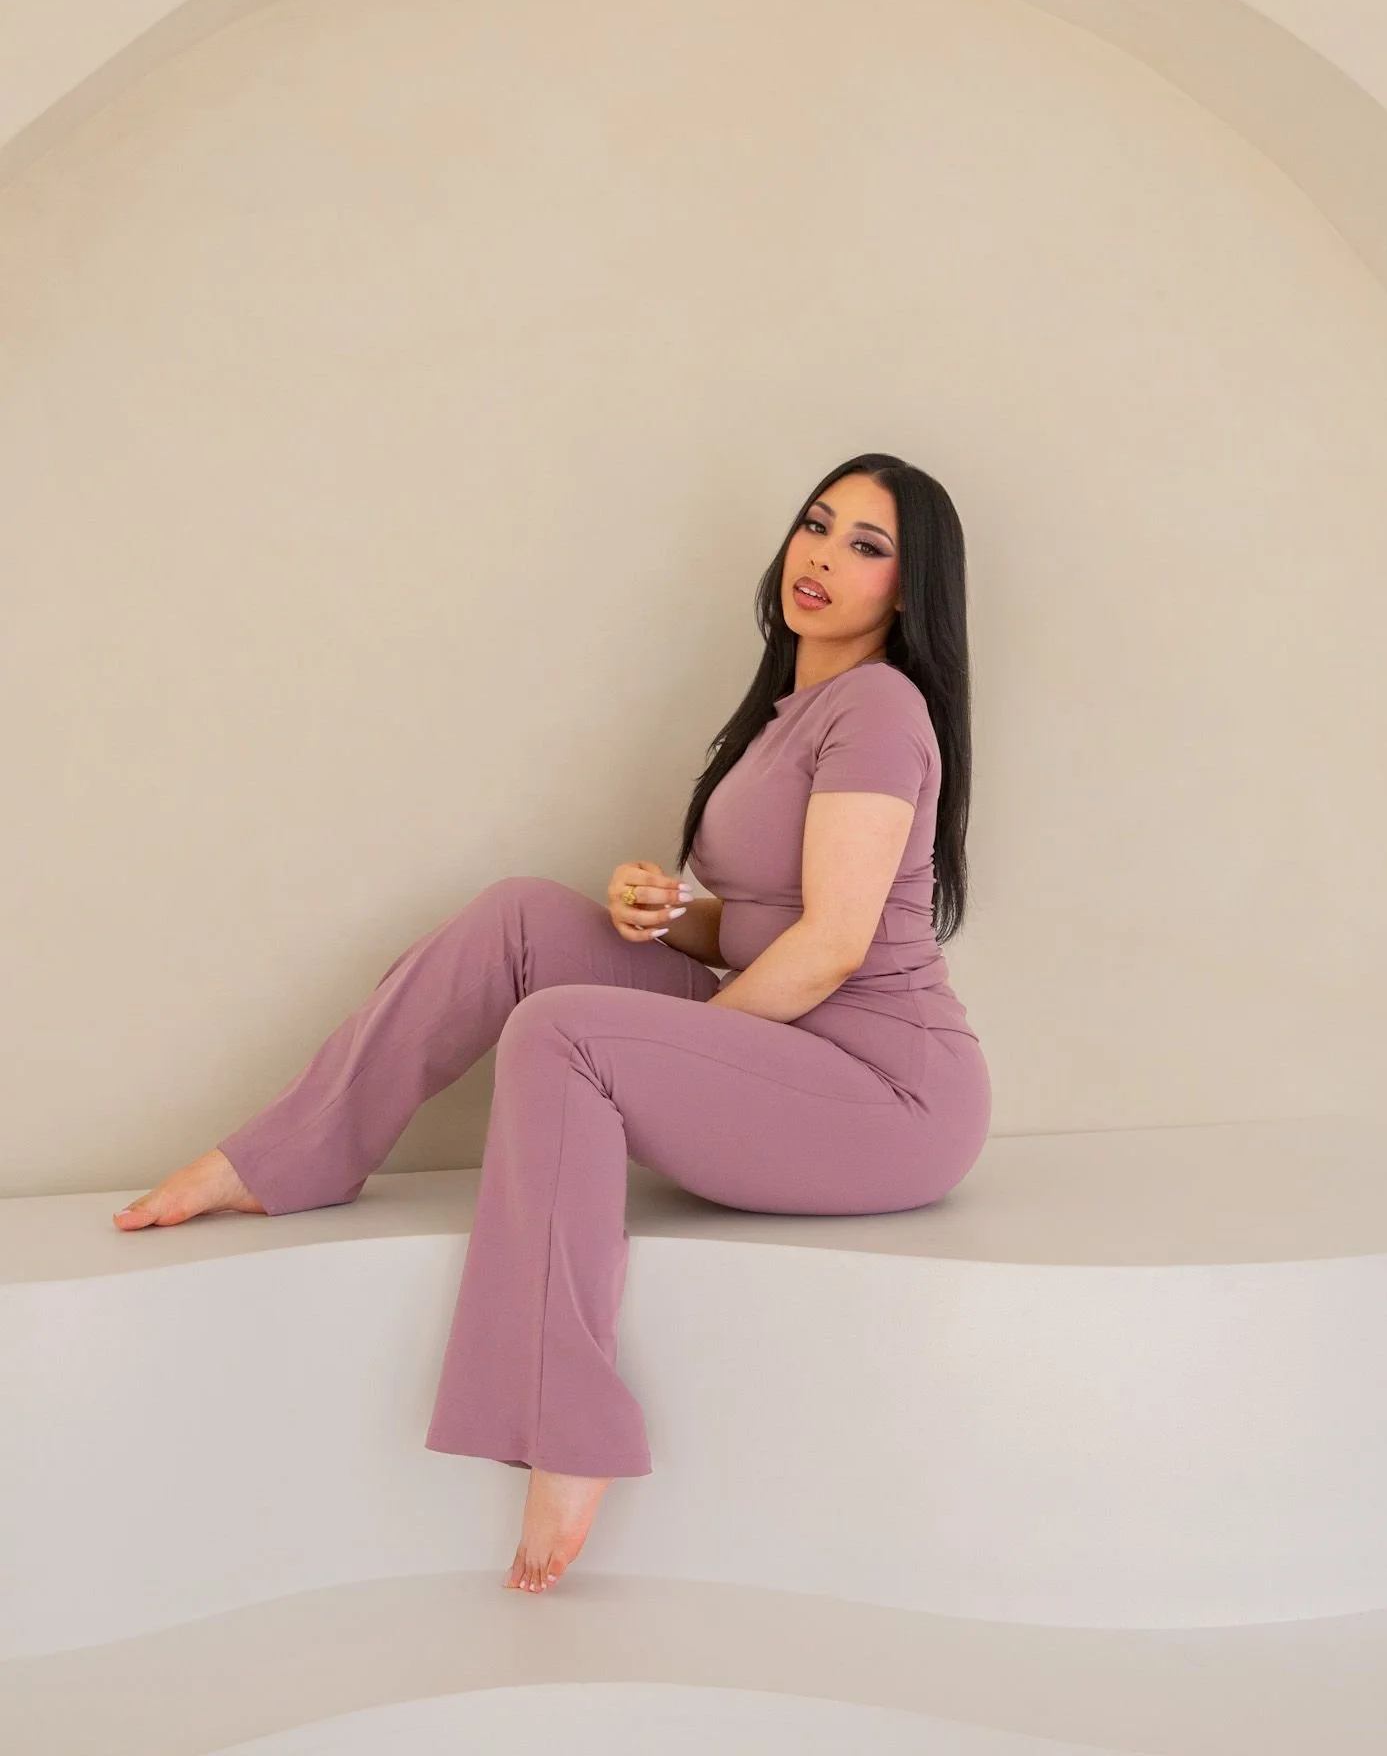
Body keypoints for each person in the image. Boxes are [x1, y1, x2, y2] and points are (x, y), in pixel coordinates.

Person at [112, 452, 991, 1596]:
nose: (819, 555)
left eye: (864, 545)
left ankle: (570, 1428)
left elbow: (831, 945)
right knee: (521, 914)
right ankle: (280, 1155)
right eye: (815, 524)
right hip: (797, 1044)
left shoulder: (878, 706)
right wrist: (662, 914)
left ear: (906, 590)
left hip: (886, 1090)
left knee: (562, 1031)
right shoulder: (791, 710)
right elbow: (756, 923)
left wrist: (675, 1048)